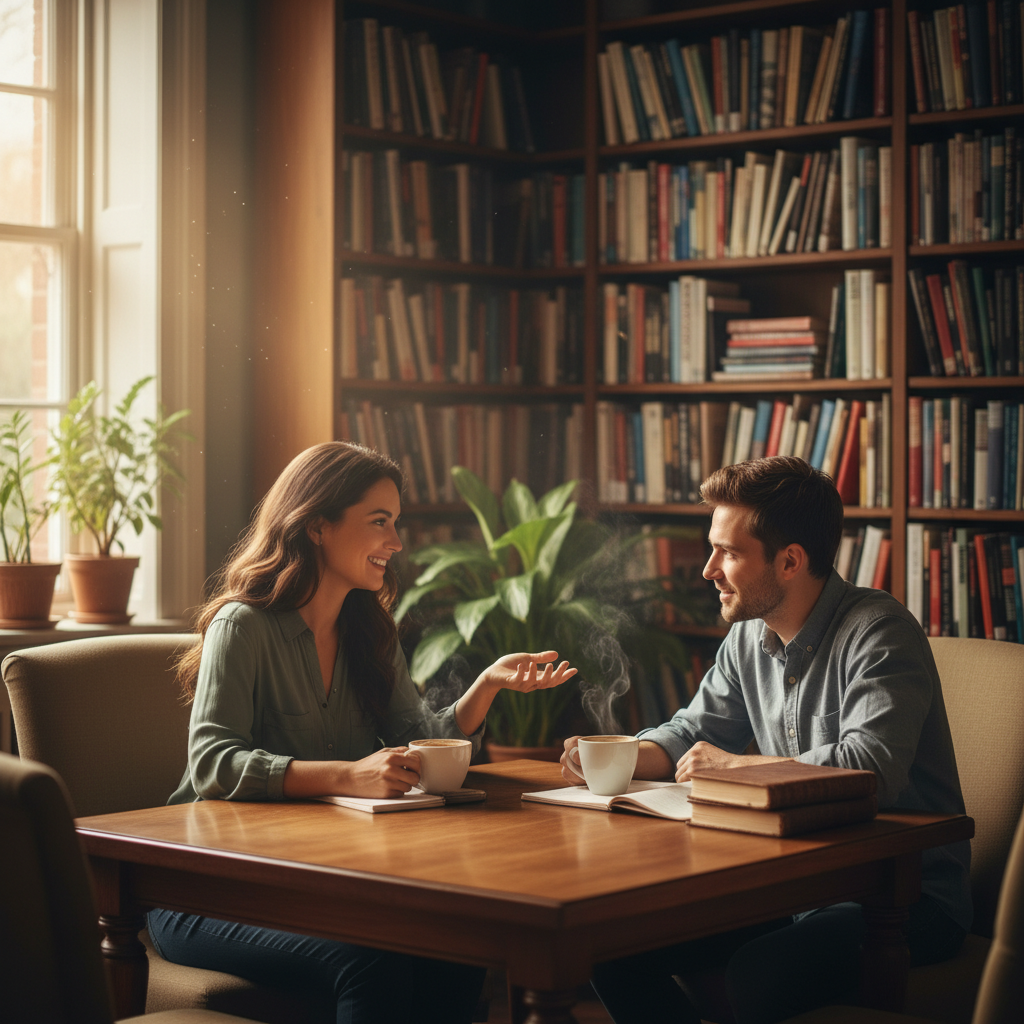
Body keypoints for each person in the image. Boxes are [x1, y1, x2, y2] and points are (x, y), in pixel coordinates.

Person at [150, 441, 576, 1024]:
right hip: (204, 891)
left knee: (457, 951)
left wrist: (484, 689)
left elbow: (417, 741)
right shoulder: (241, 626)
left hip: (314, 884)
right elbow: (214, 764)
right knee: (370, 961)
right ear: (318, 525)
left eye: (395, 524)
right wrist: (349, 776)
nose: (396, 543)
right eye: (380, 523)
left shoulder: (370, 631)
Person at [560, 456, 971, 1024]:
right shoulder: (748, 639)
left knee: (759, 972)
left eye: (727, 552)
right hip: (797, 892)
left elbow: (871, 766)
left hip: (903, 900)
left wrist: (735, 767)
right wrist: (618, 755)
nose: (707, 570)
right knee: (609, 952)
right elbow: (690, 734)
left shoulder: (880, 632)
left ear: (790, 561)